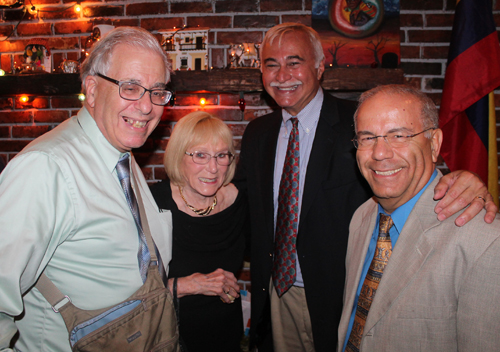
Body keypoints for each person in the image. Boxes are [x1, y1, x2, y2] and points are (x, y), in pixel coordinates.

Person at [234, 22, 498, 352]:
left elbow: (408, 173)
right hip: (277, 294)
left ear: (319, 66)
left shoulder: (359, 121)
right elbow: (242, 208)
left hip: (340, 296)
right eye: (271, 64)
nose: (282, 74)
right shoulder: (258, 134)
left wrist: (462, 180)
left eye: (294, 61)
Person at [0, 27, 175, 351]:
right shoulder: (45, 167)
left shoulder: (120, 151)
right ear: (92, 90)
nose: (147, 106)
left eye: (157, 91)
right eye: (131, 87)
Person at [338, 84, 500, 352]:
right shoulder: (361, 217)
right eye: (367, 138)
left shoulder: (483, 242)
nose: (379, 153)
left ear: (434, 143)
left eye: (398, 135)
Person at [150, 111, 248, 352]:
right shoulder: (153, 204)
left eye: (221, 155)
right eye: (200, 155)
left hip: (225, 334)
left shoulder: (241, 201)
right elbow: (125, 290)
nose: (213, 168)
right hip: (167, 336)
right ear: (178, 156)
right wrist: (191, 285)